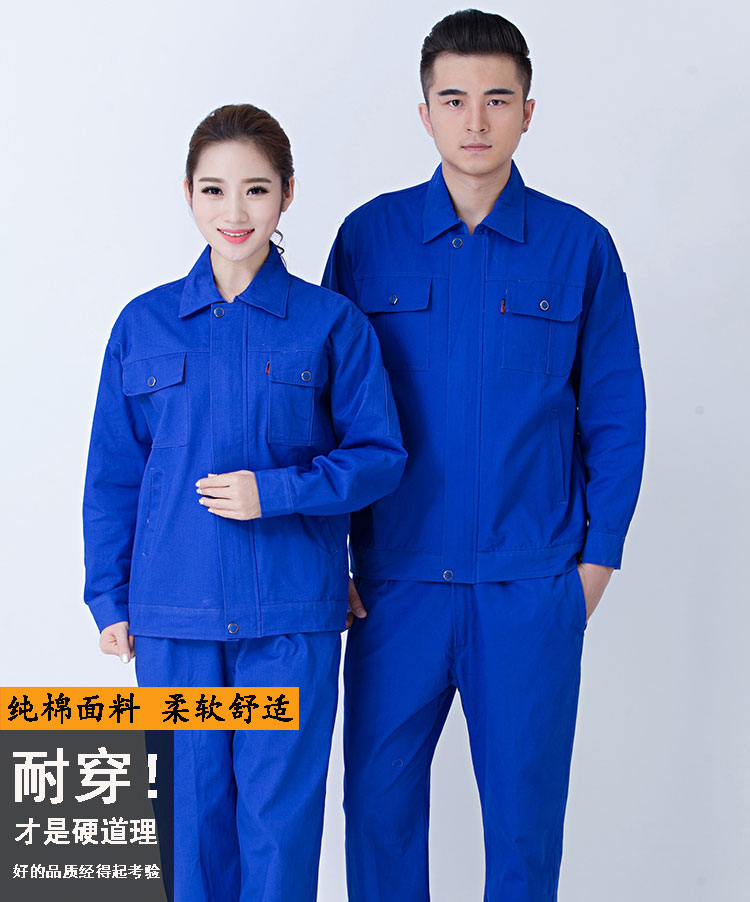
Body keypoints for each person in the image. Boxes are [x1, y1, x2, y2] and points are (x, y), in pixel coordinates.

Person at [323, 10, 646, 901]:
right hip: (392, 588)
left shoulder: (579, 246)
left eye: (497, 100)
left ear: (528, 113)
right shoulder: (367, 238)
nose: (476, 121)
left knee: (524, 826)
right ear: (424, 112)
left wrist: (593, 567)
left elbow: (615, 416)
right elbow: (324, 416)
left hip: (528, 588)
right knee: (378, 816)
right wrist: (331, 559)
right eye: (454, 99)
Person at [82, 103, 407, 902]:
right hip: (176, 616)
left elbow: (379, 457)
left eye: (257, 189)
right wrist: (109, 598)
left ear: (288, 193)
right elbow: (114, 474)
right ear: (188, 194)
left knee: (278, 831)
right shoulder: (144, 324)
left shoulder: (331, 324)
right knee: (188, 833)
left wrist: (279, 491)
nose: (235, 211)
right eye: (214, 190)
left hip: (289, 618)